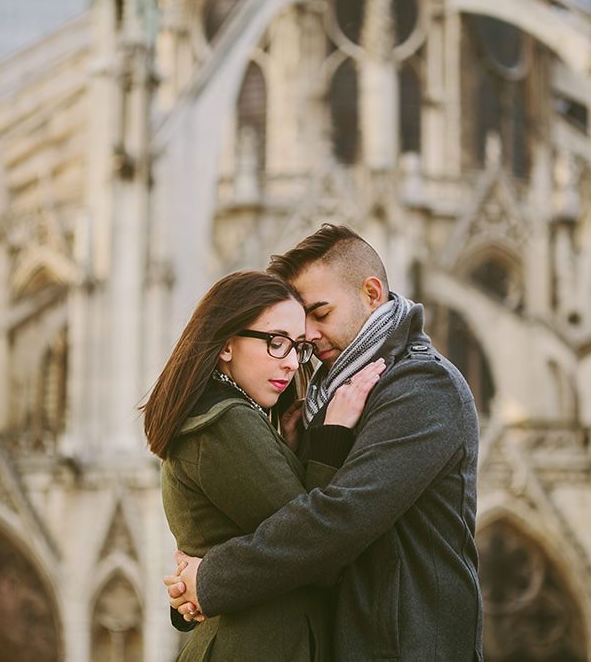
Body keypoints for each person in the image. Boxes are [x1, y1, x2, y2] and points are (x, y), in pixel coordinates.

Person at [166, 225, 483, 661]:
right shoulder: (330, 393)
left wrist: (209, 579)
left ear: (371, 293)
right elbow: (297, 509)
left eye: (321, 313)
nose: (308, 339)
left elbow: (342, 516)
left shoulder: (421, 384)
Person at [145, 270, 385, 661]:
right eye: (277, 343)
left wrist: (289, 454)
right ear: (226, 345)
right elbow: (318, 549)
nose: (291, 363)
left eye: (297, 347)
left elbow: (270, 534)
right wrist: (333, 435)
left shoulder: (230, 417)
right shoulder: (224, 423)